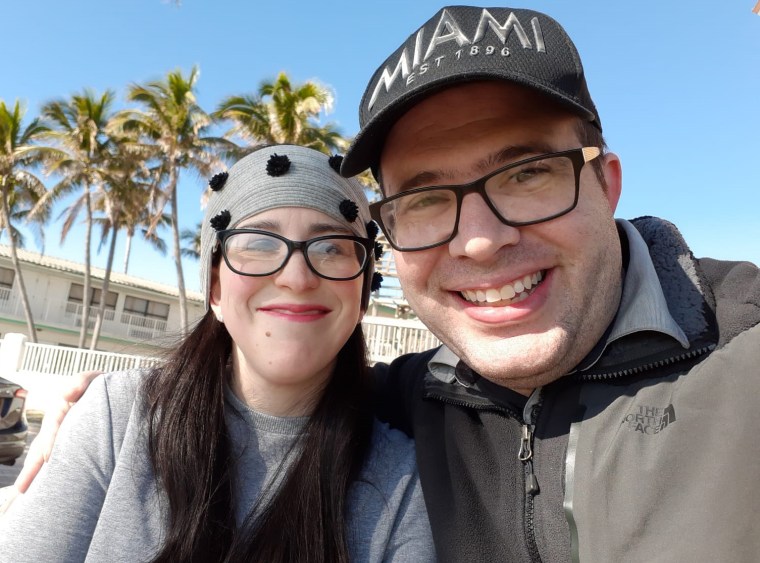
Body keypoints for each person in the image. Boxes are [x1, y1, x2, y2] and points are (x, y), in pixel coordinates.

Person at [11, 5, 760, 562]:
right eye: (427, 197)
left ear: (608, 183)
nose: (478, 237)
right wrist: (104, 405)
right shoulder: (417, 403)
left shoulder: (743, 362)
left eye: (528, 173)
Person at [0, 144, 434, 562]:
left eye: (331, 248)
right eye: (259, 244)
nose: (297, 278)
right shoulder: (117, 420)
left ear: (362, 292)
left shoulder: (403, 479)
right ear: (214, 289)